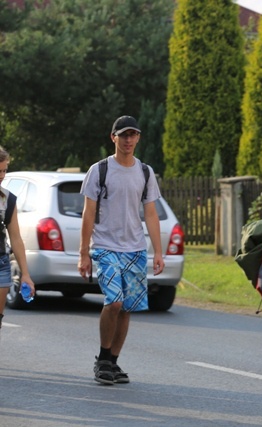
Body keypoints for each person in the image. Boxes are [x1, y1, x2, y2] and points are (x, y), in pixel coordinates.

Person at [78, 115, 165, 385]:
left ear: (138, 138)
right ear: (113, 137)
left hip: (135, 249)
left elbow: (150, 214)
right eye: (123, 135)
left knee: (127, 307)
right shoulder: (100, 170)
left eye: (133, 135)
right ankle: (103, 358)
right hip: (105, 246)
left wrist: (158, 252)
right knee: (113, 301)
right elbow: (88, 212)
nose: (128, 140)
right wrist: (84, 253)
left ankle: (113, 362)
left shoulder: (145, 172)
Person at [0, 146, 35, 330]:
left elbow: (16, 238)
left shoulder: (8, 199)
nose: (2, 175)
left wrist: (26, 274)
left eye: (4, 170)